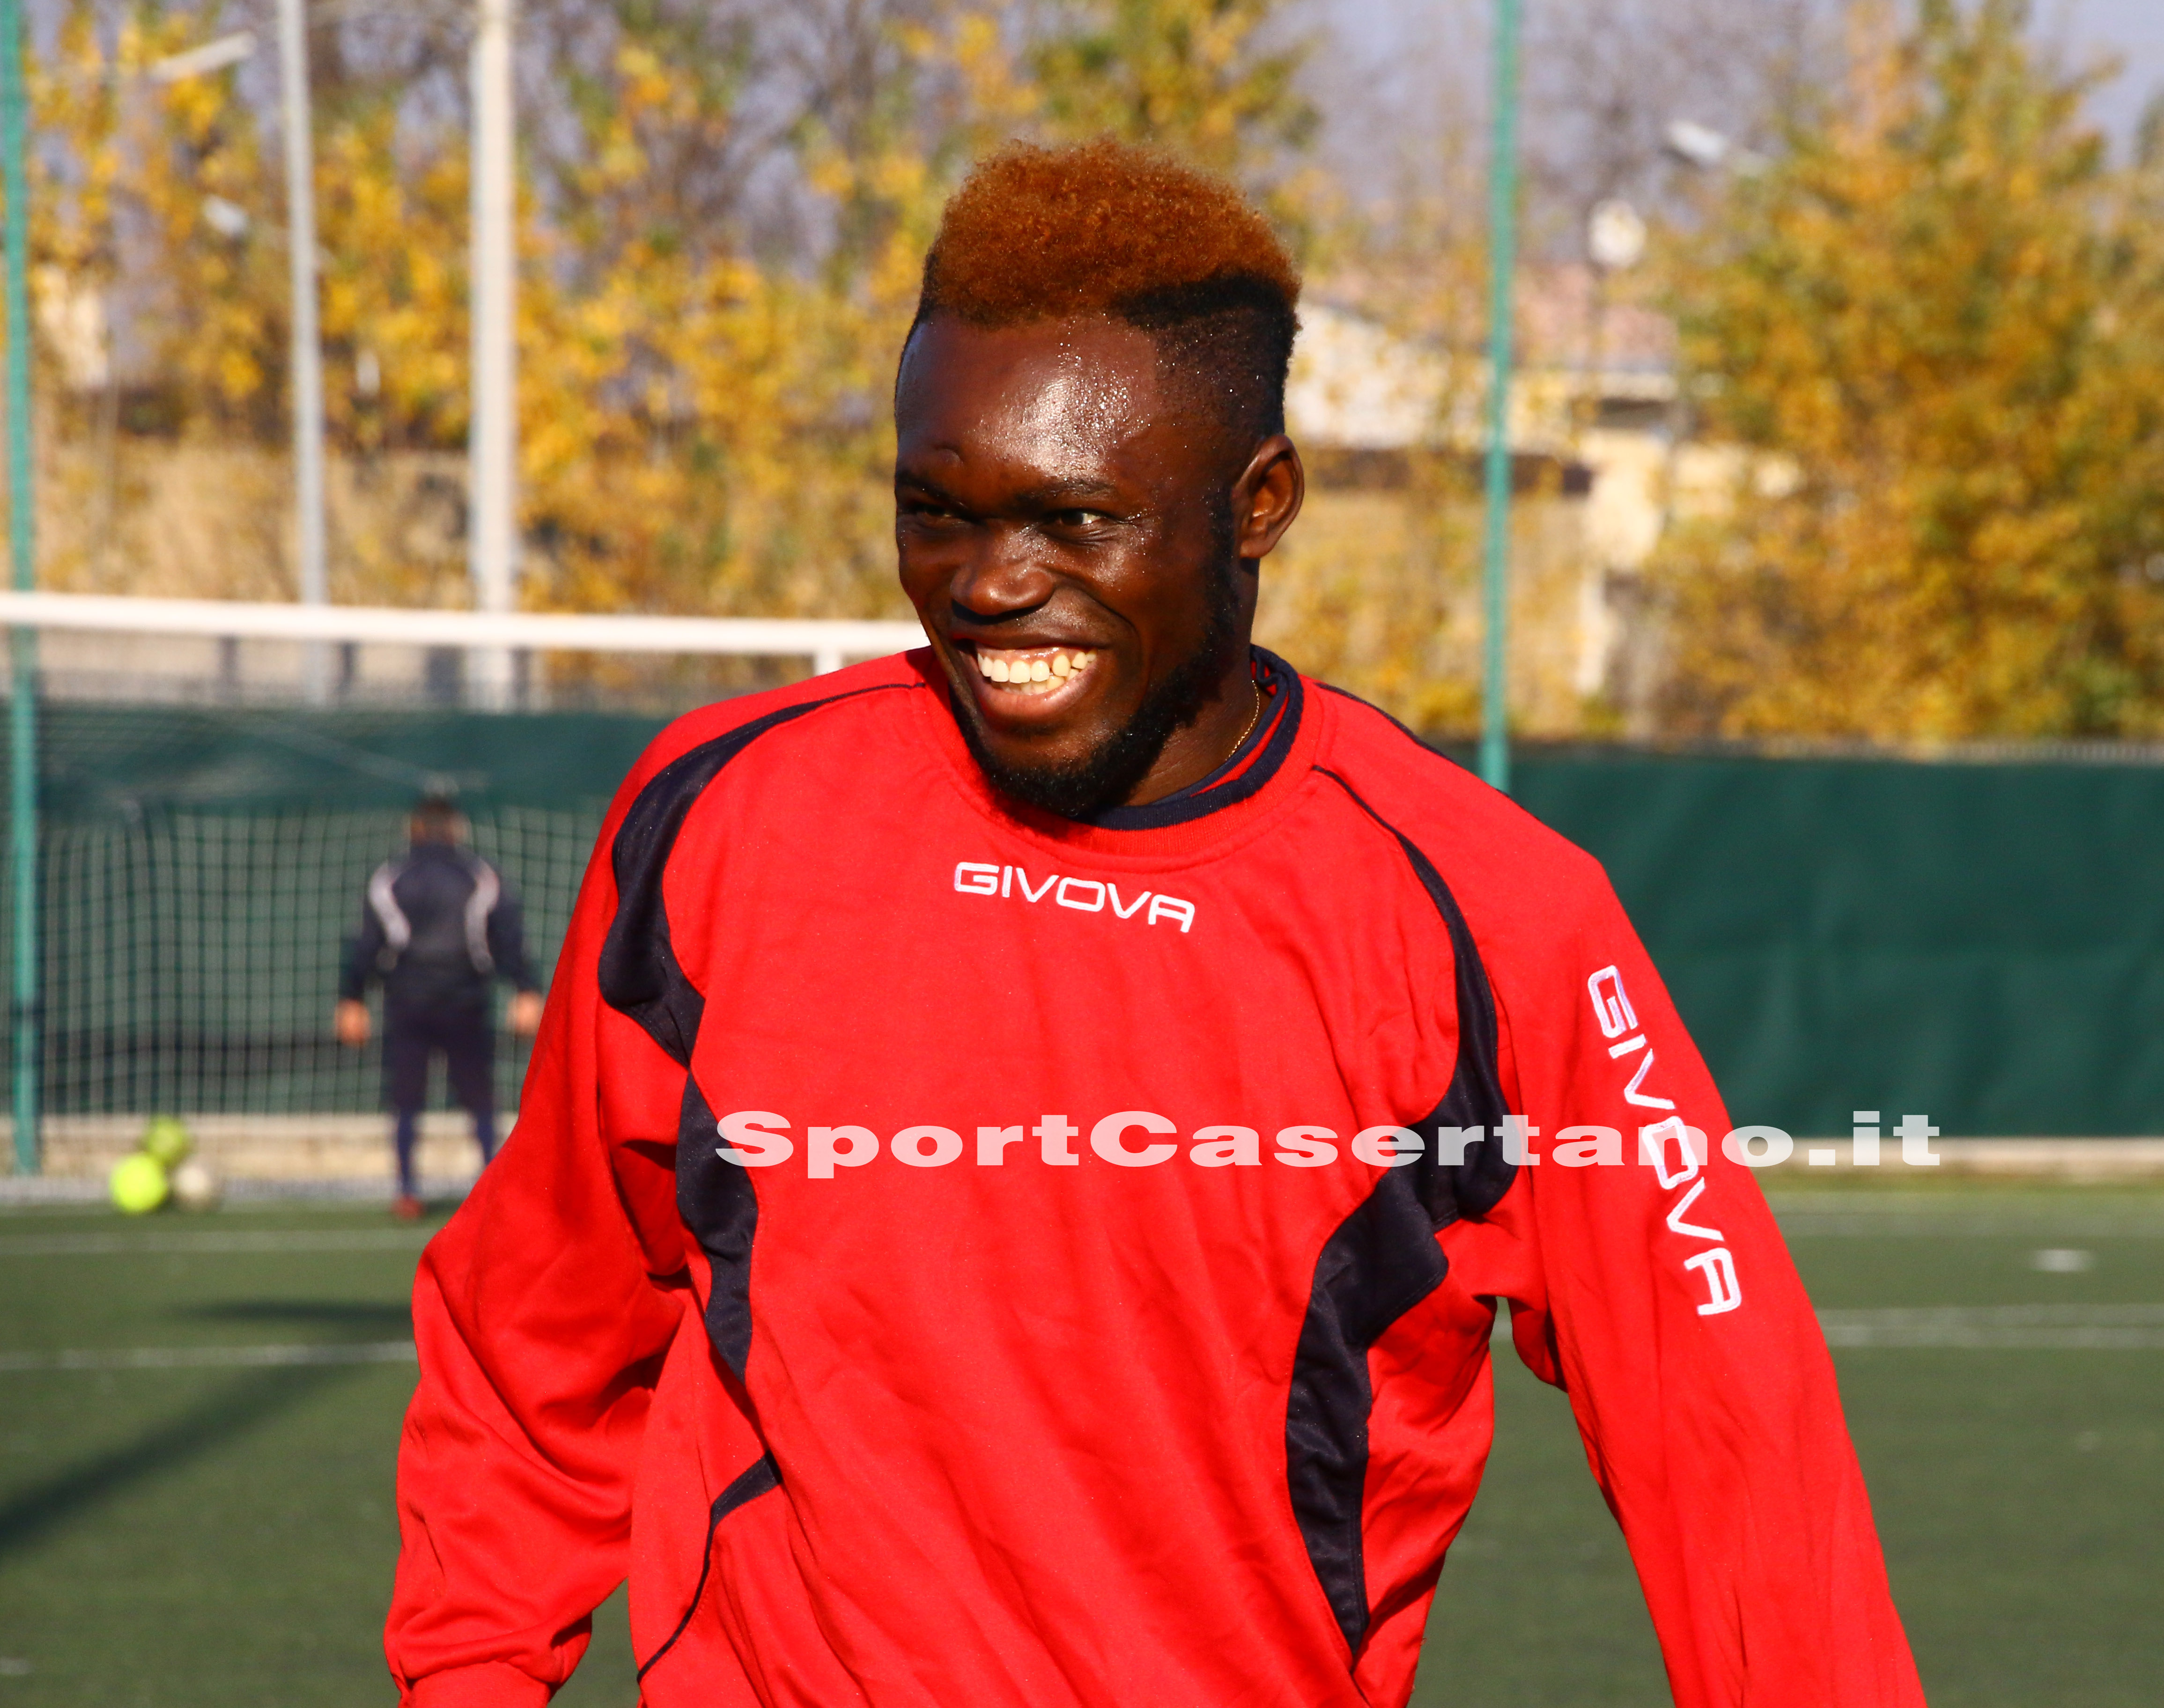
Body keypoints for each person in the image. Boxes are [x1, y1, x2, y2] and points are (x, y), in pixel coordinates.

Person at [385, 141, 1924, 1707]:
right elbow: (537, 1329)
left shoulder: (1497, 916)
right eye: (938, 507)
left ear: (1257, 505)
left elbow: (1734, 1437)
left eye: (1075, 517)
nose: (990, 583)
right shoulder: (725, 819)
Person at [338, 792, 543, 1219]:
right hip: (465, 1000)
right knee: (480, 1098)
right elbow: (507, 937)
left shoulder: (390, 877)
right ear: (456, 830)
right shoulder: (481, 876)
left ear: (413, 830)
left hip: (407, 1003)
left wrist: (352, 998)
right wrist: (526, 988)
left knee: (406, 1099)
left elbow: (367, 945)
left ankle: (408, 1191)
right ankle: (490, 1184)